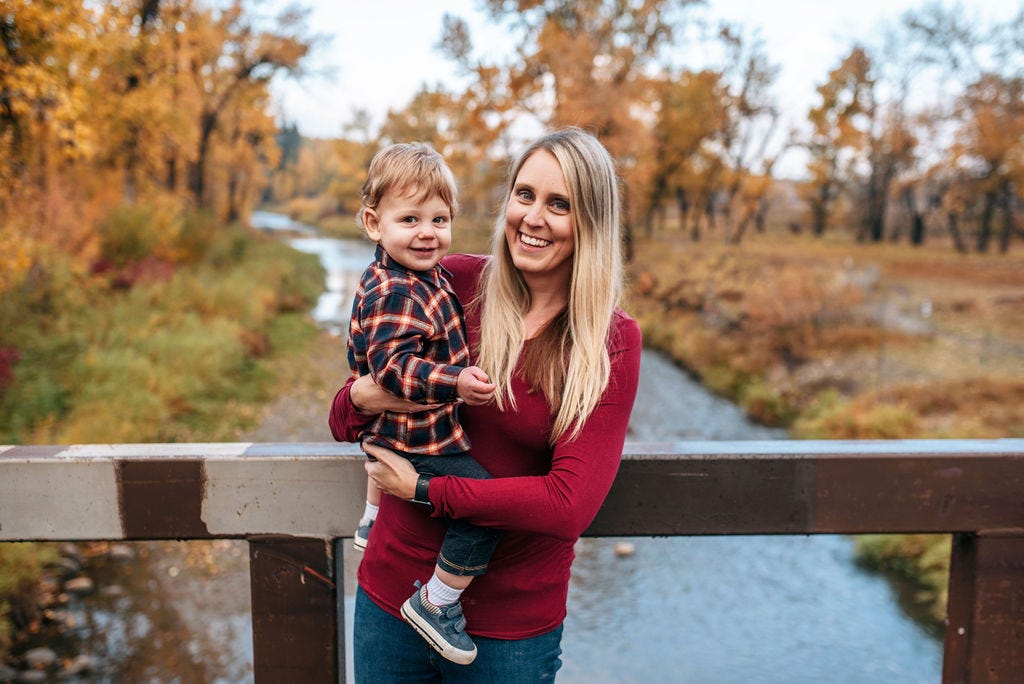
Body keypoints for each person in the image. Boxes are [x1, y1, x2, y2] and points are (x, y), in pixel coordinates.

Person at [330, 127, 642, 683]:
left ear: (592, 222)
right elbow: (345, 414)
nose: (533, 217)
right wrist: (364, 395)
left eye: (559, 204)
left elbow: (568, 504)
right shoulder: (452, 279)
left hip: (510, 633)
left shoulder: (609, 340)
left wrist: (423, 490)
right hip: (388, 601)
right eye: (524, 195)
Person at [346, 141, 500, 665]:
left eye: (439, 217)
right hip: (420, 441)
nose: (428, 231)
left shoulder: (414, 274)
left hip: (394, 435)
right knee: (485, 506)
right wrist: (455, 381)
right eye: (410, 218)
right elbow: (390, 370)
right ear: (374, 223)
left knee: (378, 443)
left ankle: (369, 518)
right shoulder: (399, 291)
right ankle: (437, 601)